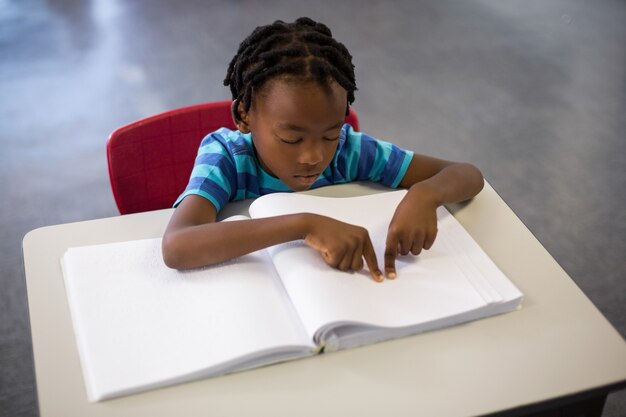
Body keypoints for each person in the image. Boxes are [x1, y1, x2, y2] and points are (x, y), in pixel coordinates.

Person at [162, 17, 484, 282]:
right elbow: (177, 246)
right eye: (292, 139)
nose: (314, 156)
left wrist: (425, 195)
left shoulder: (350, 151)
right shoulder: (227, 157)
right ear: (243, 117)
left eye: (329, 134)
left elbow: (468, 175)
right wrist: (305, 225)